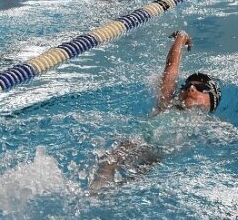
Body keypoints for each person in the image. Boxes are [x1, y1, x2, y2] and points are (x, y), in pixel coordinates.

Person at [88, 30, 221, 193]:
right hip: (136, 144)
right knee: (108, 163)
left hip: (156, 160)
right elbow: (171, 70)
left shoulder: (212, 126)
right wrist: (181, 38)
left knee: (126, 187)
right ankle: (92, 196)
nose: (191, 88)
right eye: (186, 86)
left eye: (201, 88)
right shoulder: (168, 105)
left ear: (213, 102)